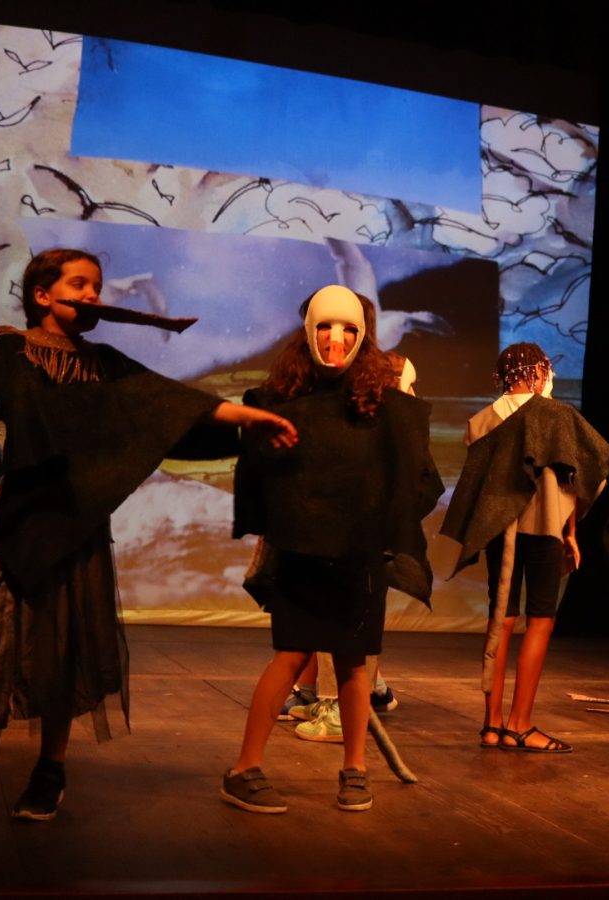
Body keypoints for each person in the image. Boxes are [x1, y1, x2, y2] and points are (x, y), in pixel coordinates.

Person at [0, 247, 297, 821]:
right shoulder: (7, 348)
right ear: (43, 295)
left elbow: (177, 405)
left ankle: (51, 768)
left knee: (62, 641)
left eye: (97, 286)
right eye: (80, 285)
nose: (93, 295)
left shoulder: (105, 365)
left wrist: (249, 417)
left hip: (70, 516)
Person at [221, 285, 441, 814]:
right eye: (324, 326)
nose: (335, 338)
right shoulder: (277, 403)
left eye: (347, 328)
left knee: (353, 663)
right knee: (291, 655)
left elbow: (421, 481)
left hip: (359, 556)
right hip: (301, 553)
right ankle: (244, 768)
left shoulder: (387, 408)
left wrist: (383, 524)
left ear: (363, 335)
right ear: (309, 331)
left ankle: (355, 769)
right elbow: (256, 475)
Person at [436, 343, 609, 752]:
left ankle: (492, 724)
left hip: (500, 529)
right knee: (541, 619)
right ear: (538, 372)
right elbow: (585, 472)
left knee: (502, 618)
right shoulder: (556, 415)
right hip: (545, 526)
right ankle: (521, 723)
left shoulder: (481, 421)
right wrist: (571, 532)